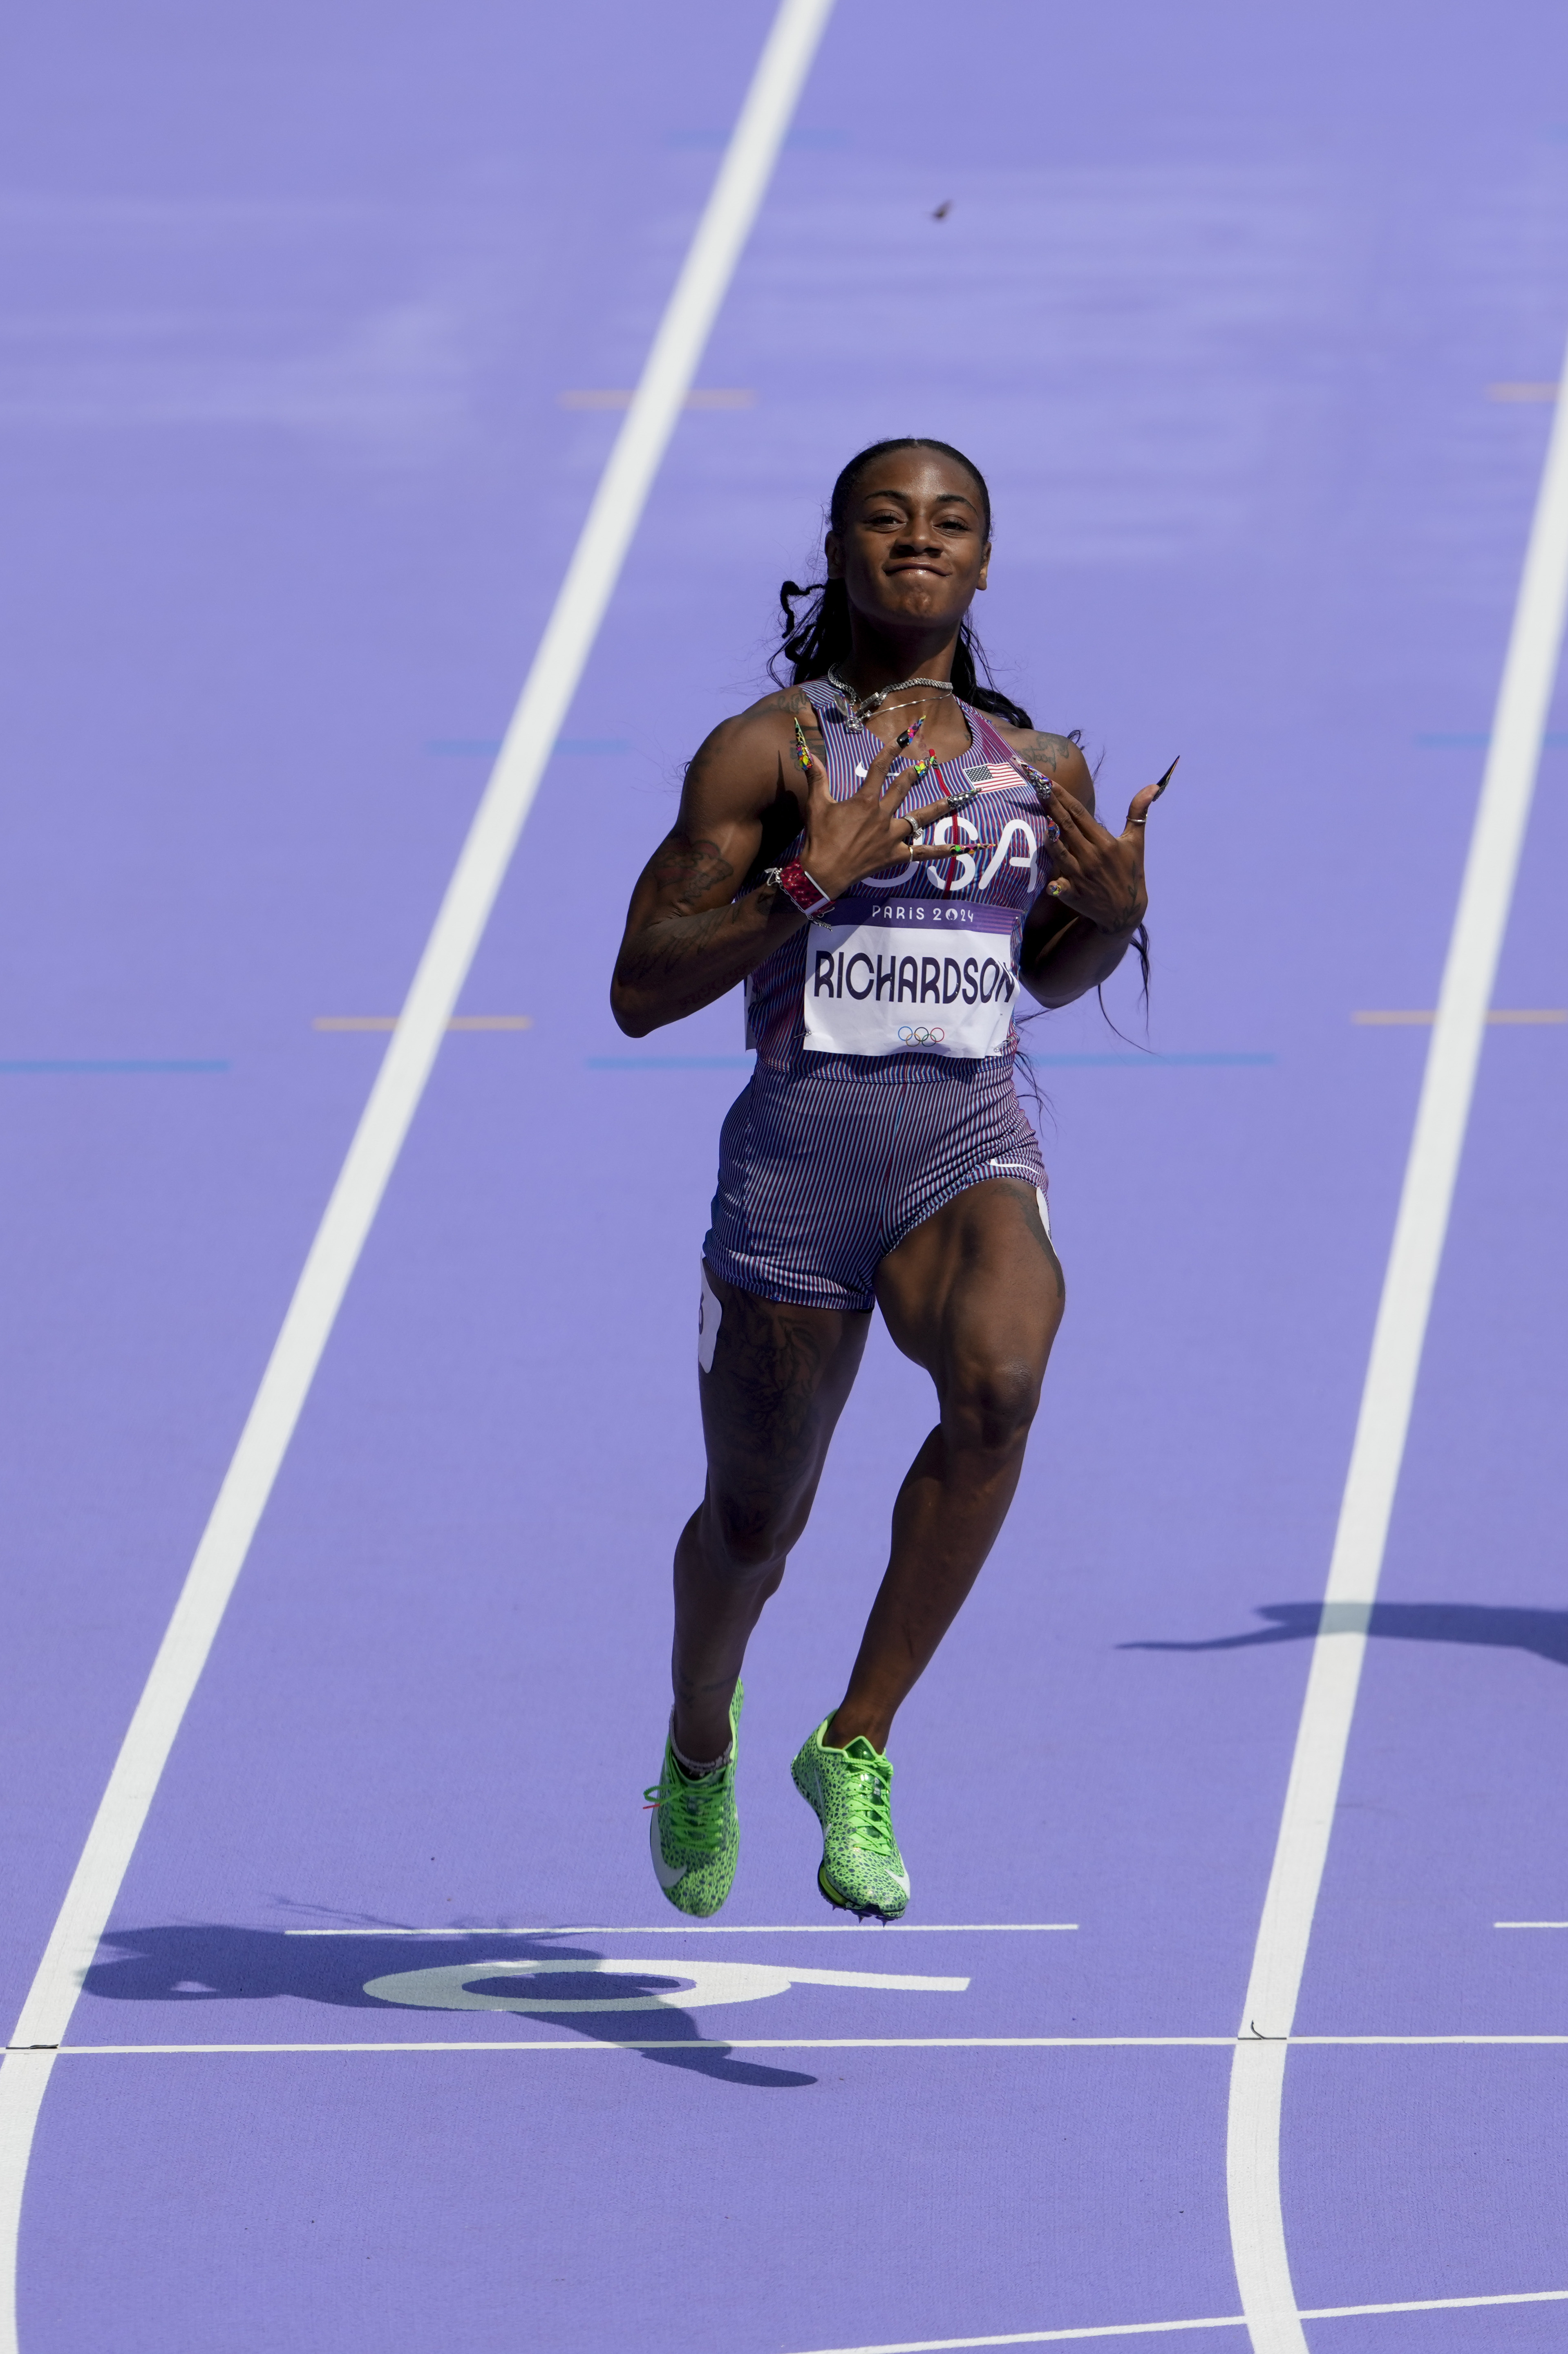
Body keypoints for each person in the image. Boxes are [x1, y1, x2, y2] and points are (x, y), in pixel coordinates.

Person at [607, 438, 1161, 1915]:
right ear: (841, 547)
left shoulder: (1039, 769)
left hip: (964, 1135)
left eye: (952, 522)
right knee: (752, 1526)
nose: (921, 539)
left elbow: (1043, 977)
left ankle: (856, 1741)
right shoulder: (763, 753)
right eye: (889, 517)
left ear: (984, 563)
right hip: (797, 1170)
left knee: (1002, 1382)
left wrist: (1112, 918)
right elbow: (639, 989)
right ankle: (700, 1739)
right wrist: (808, 876)